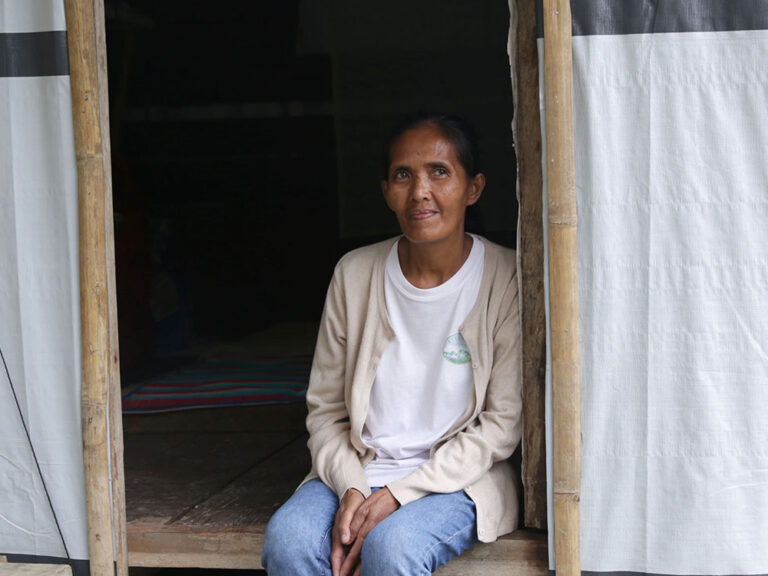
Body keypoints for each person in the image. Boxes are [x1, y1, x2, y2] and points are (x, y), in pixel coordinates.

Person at [261, 113, 522, 576]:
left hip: (459, 479)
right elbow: (325, 412)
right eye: (403, 175)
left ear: (474, 187)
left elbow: (501, 425)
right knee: (289, 541)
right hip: (359, 471)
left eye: (439, 172)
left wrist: (401, 494)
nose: (420, 190)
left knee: (393, 547)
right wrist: (353, 488)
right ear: (386, 191)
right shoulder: (354, 274)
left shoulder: (507, 277)